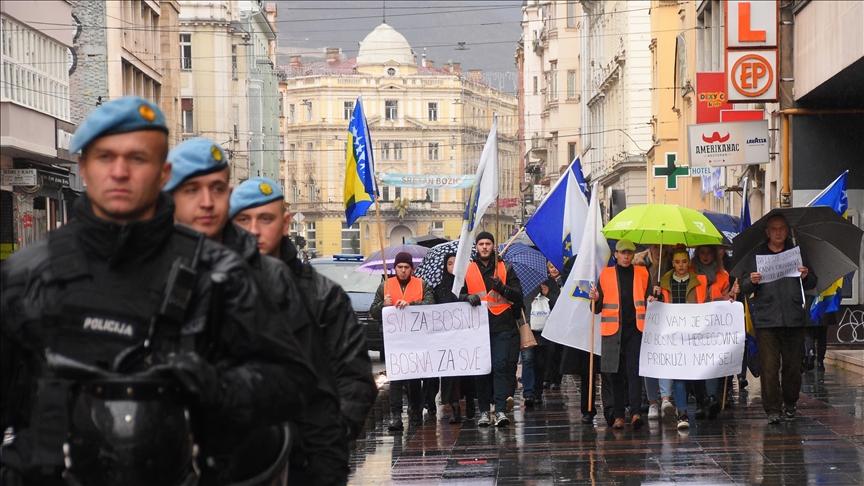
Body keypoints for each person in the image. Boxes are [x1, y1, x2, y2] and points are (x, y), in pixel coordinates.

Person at [0, 97, 316, 486]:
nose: (119, 172)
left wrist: (214, 386)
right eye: (105, 158)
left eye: (137, 159)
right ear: (83, 167)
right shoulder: (27, 274)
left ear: (163, 173)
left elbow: (292, 384)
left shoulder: (216, 273)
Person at [165, 143, 342, 485]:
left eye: (217, 189)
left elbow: (311, 390)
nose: (206, 202)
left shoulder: (267, 278)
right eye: (191, 190)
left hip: (249, 467)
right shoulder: (141, 267)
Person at [229, 177, 376, 443]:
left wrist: (331, 443)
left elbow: (354, 377)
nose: (254, 231)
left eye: (265, 219)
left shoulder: (322, 295)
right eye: (243, 220)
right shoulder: (214, 285)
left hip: (306, 455)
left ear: (285, 224)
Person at [738, 213, 817, 424]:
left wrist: (806, 276)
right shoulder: (757, 255)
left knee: (793, 367)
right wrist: (752, 281)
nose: (779, 232)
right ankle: (772, 408)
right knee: (769, 367)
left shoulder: (796, 253)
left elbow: (812, 282)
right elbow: (743, 285)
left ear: (786, 230)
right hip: (767, 319)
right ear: (767, 232)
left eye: (782, 228)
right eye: (774, 229)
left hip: (793, 318)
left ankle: (790, 401)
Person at [589, 239, 653, 430]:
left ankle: (635, 413)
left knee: (634, 372)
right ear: (615, 255)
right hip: (612, 331)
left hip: (635, 329)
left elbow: (650, 300)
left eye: (630, 253)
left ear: (633, 255)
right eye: (623, 253)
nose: (626, 256)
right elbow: (596, 308)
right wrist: (596, 299)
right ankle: (618, 415)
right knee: (614, 373)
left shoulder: (643, 273)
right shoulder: (606, 274)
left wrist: (654, 296)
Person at [461, 231, 523, 427]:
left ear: (493, 246)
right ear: (477, 247)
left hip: (502, 326)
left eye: (488, 243)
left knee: (501, 367)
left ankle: (501, 410)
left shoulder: (505, 268)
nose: (485, 247)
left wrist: (502, 288)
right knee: (481, 370)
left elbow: (518, 295)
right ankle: (484, 412)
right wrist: (466, 298)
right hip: (478, 327)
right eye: (481, 244)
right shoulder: (468, 269)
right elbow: (457, 294)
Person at [370, 252, 435, 430]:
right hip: (393, 339)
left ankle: (415, 411)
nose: (403, 270)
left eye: (406, 267)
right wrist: (383, 304)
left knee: (414, 377)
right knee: (396, 377)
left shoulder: (421, 284)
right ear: (395, 268)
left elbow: (431, 305)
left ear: (411, 269)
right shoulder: (385, 286)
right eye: (400, 267)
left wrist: (411, 305)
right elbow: (373, 312)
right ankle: (395, 416)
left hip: (415, 337)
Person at [656, 248, 709, 430]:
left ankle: (702, 403)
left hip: (694, 333)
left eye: (684, 262)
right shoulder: (663, 283)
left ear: (689, 262)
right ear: (672, 263)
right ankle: (683, 412)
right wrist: (654, 297)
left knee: (694, 372)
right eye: (677, 262)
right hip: (673, 333)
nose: (681, 266)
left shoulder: (699, 281)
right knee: (678, 372)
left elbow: (709, 304)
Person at [692, 245, 740, 418]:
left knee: (712, 363)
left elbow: (726, 299)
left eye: (708, 253)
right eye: (702, 253)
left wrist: (732, 296)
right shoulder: (691, 273)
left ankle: (712, 397)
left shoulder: (723, 276)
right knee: (697, 364)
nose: (705, 257)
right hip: (695, 325)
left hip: (715, 326)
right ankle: (700, 400)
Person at [431, 253, 476, 424]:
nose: (453, 267)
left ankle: (470, 398)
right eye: (449, 264)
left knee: (468, 371)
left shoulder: (468, 285)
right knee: (450, 377)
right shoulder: (440, 289)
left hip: (466, 338)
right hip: (447, 340)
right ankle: (455, 408)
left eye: (456, 264)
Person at [521, 261, 562, 408]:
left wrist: (548, 294)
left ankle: (537, 392)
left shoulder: (550, 283)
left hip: (544, 330)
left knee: (540, 362)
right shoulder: (523, 283)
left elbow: (559, 304)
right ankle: (529, 393)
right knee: (527, 359)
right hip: (527, 327)